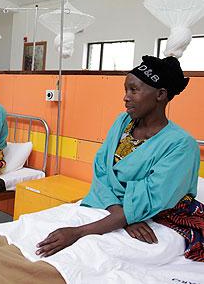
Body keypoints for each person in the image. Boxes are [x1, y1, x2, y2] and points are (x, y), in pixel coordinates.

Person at [35, 55, 199, 258]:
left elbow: (153, 197)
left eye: (134, 90)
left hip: (159, 216)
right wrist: (124, 216)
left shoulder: (181, 145)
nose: (126, 97)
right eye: (125, 90)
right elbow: (102, 170)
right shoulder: (123, 122)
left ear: (160, 94)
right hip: (113, 208)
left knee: (87, 255)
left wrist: (78, 232)